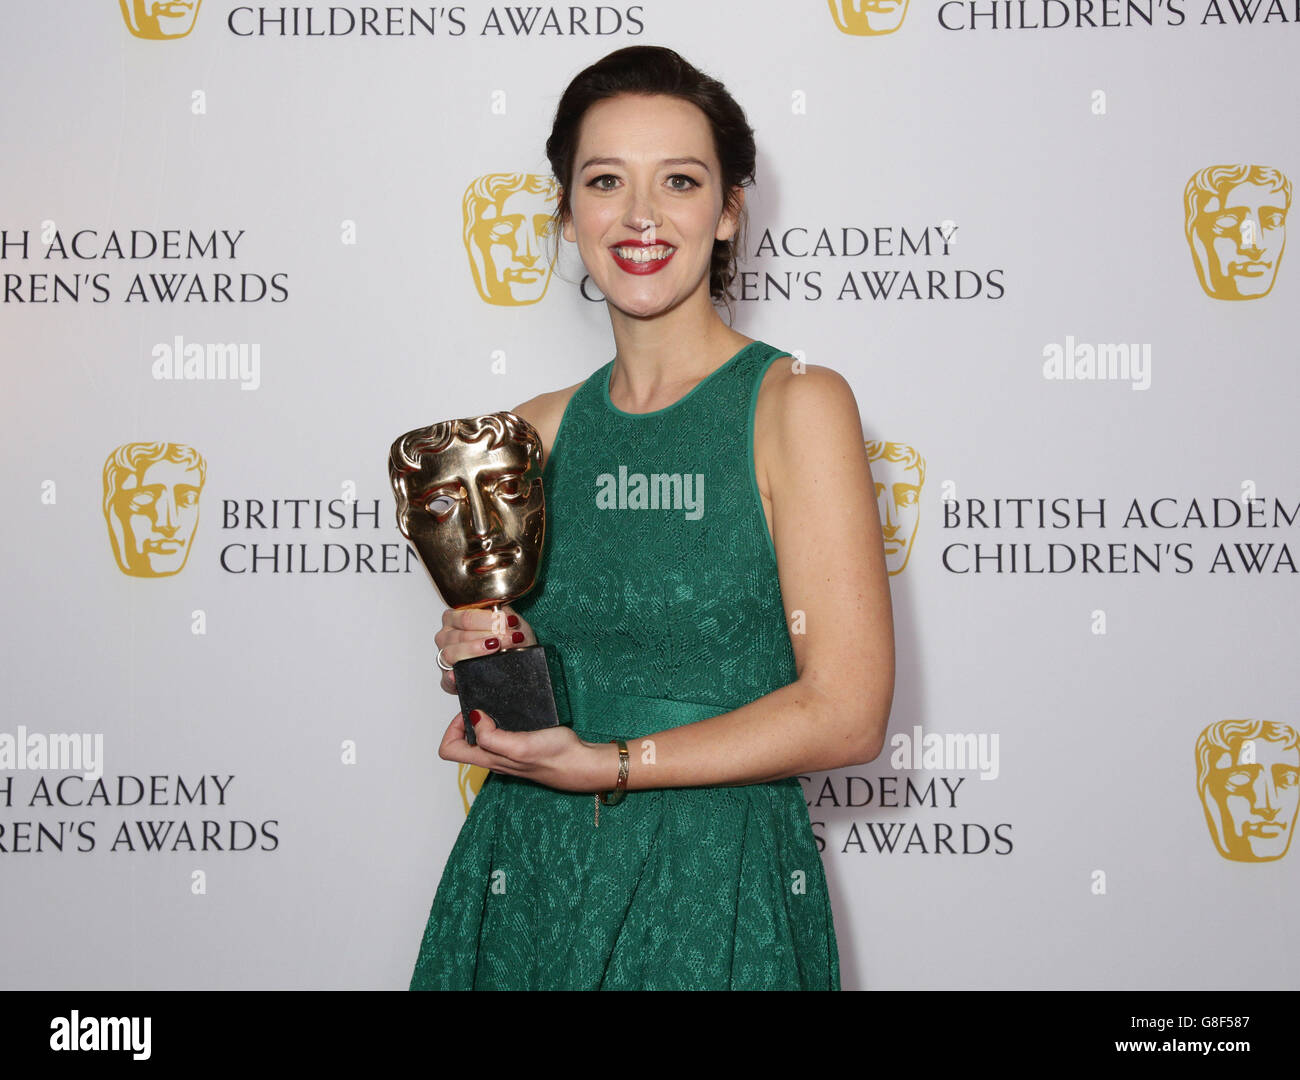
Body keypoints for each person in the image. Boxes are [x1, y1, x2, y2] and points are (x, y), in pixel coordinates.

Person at [408, 44, 894, 990]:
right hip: (532, 871)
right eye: (605, 180)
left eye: (679, 180)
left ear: (727, 212)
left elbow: (846, 715)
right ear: (568, 211)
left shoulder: (797, 403)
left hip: (715, 882)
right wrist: (484, 659)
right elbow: (533, 668)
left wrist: (613, 763)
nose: (639, 216)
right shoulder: (527, 437)